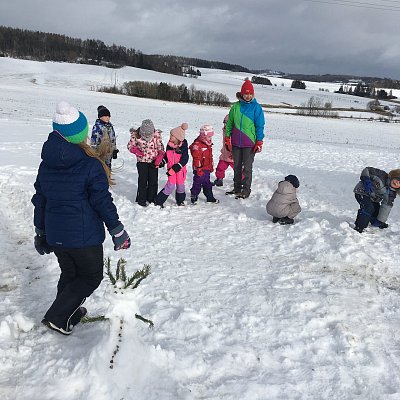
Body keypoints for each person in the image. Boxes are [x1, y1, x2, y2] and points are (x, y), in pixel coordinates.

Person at [31, 101, 130, 336]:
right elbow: (102, 201)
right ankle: (57, 316)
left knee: (70, 274)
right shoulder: (90, 165)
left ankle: (68, 313)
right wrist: (117, 230)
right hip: (84, 237)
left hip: (56, 235)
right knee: (91, 276)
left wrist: (41, 232)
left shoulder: (46, 164)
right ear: (80, 134)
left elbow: (40, 200)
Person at [225, 79, 265, 199]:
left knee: (247, 168)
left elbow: (260, 125)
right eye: (246, 93)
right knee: (237, 167)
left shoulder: (256, 108)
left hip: (250, 143)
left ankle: (246, 190)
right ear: (242, 94)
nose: (248, 96)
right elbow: (230, 123)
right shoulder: (235, 107)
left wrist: (259, 141)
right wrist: (227, 137)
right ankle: (237, 188)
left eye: (250, 94)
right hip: (236, 142)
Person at [127, 119, 165, 207]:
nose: (147, 136)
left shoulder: (156, 136)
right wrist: (136, 151)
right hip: (141, 162)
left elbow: (161, 148)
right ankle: (141, 199)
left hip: (153, 162)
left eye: (149, 134)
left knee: (153, 181)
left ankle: (151, 198)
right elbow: (130, 146)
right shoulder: (136, 135)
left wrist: (159, 158)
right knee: (142, 181)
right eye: (145, 134)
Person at [353, 167, 400, 233]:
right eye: (398, 179)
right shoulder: (381, 175)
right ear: (394, 176)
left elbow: (386, 205)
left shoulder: (391, 193)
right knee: (368, 208)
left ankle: (375, 221)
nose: (397, 183)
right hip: (362, 191)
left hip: (373, 198)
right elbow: (367, 170)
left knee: (376, 209)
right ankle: (359, 226)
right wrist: (366, 179)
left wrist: (381, 220)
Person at [154, 123, 189, 207]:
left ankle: (180, 200)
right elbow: (167, 156)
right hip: (171, 170)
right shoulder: (169, 145)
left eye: (172, 135)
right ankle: (158, 201)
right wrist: (162, 162)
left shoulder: (183, 147)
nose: (170, 137)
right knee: (170, 185)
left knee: (180, 186)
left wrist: (178, 166)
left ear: (178, 138)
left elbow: (185, 158)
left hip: (180, 170)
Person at [189, 125, 219, 204]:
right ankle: (194, 195)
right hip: (200, 168)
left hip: (207, 167)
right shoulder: (197, 144)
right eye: (209, 136)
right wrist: (198, 168)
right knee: (197, 183)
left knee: (207, 183)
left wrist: (211, 166)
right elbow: (196, 157)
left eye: (211, 136)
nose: (210, 138)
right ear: (204, 136)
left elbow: (210, 157)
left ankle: (210, 197)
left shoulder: (208, 144)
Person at [214, 115, 234, 187]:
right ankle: (219, 179)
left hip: (232, 157)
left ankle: (241, 181)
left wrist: (233, 153)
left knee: (239, 170)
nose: (225, 125)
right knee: (220, 168)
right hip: (224, 155)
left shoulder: (234, 133)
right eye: (224, 123)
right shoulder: (225, 130)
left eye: (227, 123)